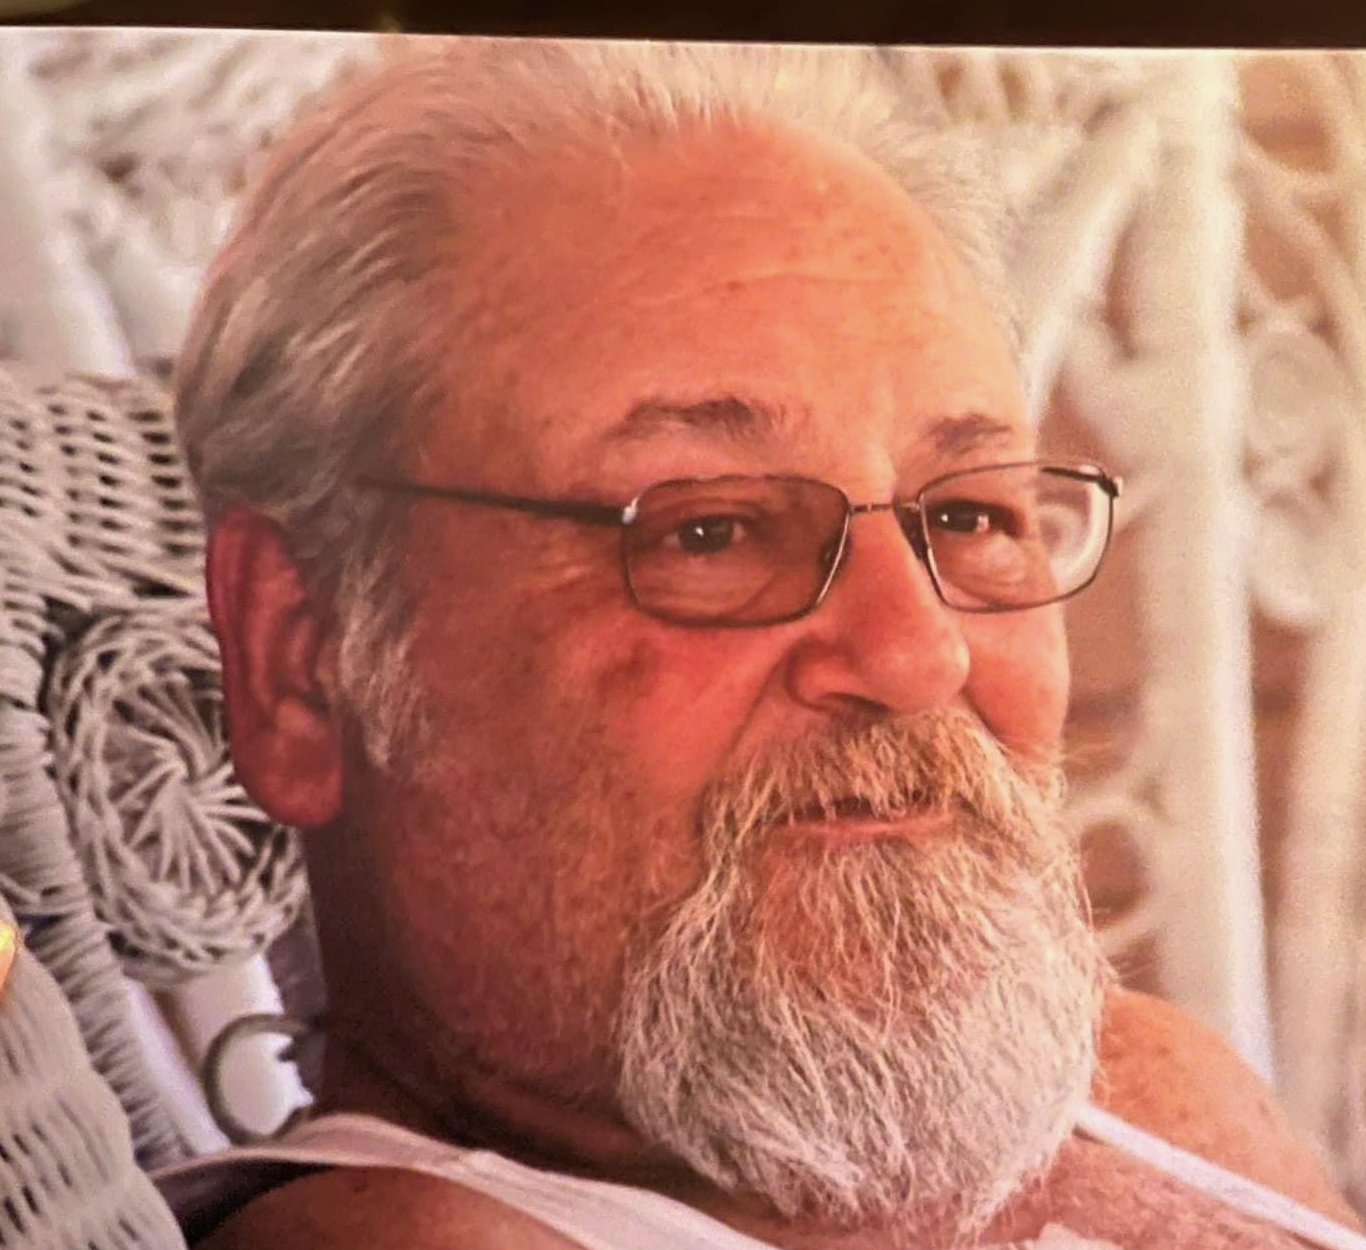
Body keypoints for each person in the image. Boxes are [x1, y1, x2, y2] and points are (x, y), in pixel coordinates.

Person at [154, 38, 1363, 1250]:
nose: (916, 657)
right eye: (710, 530)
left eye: (967, 517)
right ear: (298, 664)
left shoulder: (1152, 1088)